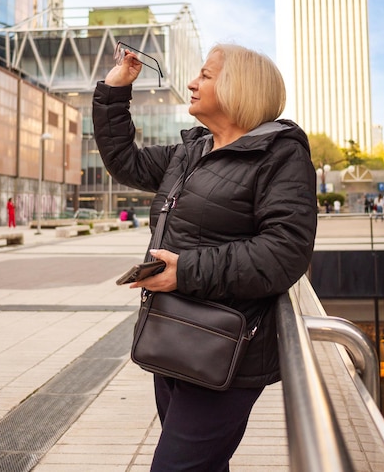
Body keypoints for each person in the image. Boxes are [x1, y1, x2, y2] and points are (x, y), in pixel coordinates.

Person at [92, 43, 317, 472]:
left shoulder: (280, 153)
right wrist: (114, 91)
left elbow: (285, 252)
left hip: (227, 349)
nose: (192, 83)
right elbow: (125, 162)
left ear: (239, 88)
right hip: (173, 334)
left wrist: (185, 272)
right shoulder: (191, 151)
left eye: (206, 75)